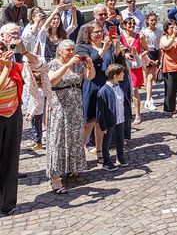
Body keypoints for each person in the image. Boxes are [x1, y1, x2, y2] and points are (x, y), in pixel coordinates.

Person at [0, 27, 45, 215]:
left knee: (11, 159)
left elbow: (40, 65)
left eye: (3, 49)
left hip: (13, 114)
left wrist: (25, 51)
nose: (3, 52)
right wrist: (6, 69)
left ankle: (7, 203)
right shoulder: (9, 67)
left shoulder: (15, 65)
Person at [46, 39, 94, 192]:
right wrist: (66, 66)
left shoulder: (77, 64)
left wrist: (89, 65)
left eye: (73, 49)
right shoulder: (53, 64)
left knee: (74, 136)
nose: (72, 52)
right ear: (60, 51)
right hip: (60, 106)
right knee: (59, 138)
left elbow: (90, 76)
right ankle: (55, 178)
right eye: (68, 50)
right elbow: (52, 80)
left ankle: (72, 167)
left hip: (75, 105)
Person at [75, 21, 124, 163]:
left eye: (100, 31)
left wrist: (116, 46)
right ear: (88, 34)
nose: (99, 34)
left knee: (101, 122)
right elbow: (90, 63)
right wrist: (102, 50)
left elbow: (115, 62)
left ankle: (100, 151)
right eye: (95, 32)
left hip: (105, 85)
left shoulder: (106, 44)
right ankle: (79, 153)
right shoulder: (83, 47)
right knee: (89, 121)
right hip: (91, 85)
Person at [96, 64, 129, 172]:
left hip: (121, 119)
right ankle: (107, 161)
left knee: (120, 139)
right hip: (110, 120)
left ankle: (120, 157)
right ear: (115, 75)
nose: (124, 74)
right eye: (121, 73)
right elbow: (100, 111)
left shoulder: (120, 86)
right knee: (107, 141)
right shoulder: (103, 91)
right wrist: (103, 125)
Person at [120, 17, 148, 125]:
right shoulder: (121, 37)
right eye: (129, 24)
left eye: (133, 24)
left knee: (135, 89)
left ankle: (138, 114)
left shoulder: (140, 36)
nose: (132, 25)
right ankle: (127, 113)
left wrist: (139, 56)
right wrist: (125, 54)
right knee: (127, 89)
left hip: (136, 66)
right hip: (126, 65)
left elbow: (146, 49)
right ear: (124, 25)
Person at [141, 12, 162, 111]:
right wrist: (149, 59)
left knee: (151, 78)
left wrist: (159, 58)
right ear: (147, 21)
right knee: (148, 78)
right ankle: (148, 99)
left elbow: (161, 46)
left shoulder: (159, 31)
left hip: (156, 53)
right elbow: (143, 47)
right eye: (151, 20)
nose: (153, 22)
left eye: (154, 20)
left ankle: (148, 98)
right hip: (147, 54)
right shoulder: (144, 32)